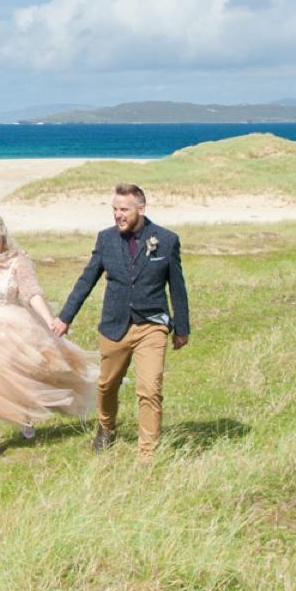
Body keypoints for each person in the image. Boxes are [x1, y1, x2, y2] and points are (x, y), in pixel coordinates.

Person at [0, 212, 99, 461]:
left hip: (15, 326)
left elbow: (30, 293)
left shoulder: (19, 260)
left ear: (4, 238)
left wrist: (49, 320)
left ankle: (25, 414)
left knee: (21, 374)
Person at [50, 183, 191, 463]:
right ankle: (106, 427)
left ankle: (146, 454)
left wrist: (182, 327)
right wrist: (65, 317)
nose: (118, 215)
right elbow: (86, 280)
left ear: (141, 209)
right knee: (107, 385)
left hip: (152, 325)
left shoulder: (166, 239)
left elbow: (177, 286)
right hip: (114, 325)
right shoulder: (105, 240)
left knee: (150, 388)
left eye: (123, 209)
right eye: (114, 209)